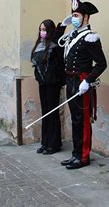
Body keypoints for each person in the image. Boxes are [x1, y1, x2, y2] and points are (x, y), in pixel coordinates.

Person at [58, 0, 107, 170]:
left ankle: (84, 156)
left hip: (82, 82)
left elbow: (102, 63)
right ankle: (75, 154)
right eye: (73, 16)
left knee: (83, 121)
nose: (74, 19)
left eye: (77, 16)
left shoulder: (90, 38)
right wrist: (62, 25)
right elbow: (56, 42)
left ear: (86, 17)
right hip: (70, 81)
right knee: (75, 119)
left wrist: (88, 80)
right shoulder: (71, 35)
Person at [30, 19, 65, 155]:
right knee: (45, 112)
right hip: (42, 83)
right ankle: (45, 142)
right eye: (40, 29)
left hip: (52, 84)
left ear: (49, 31)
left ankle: (54, 144)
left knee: (52, 112)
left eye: (44, 29)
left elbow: (59, 66)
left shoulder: (54, 46)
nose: (42, 32)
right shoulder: (39, 45)